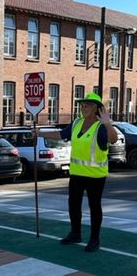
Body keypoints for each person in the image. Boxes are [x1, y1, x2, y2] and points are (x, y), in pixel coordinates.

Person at [34, 92, 118, 252]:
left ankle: (94, 239)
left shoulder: (101, 127)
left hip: (95, 176)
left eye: (88, 105)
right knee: (73, 204)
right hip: (77, 174)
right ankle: (75, 233)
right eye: (82, 104)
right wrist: (40, 134)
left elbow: (113, 139)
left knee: (94, 207)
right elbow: (60, 134)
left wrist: (108, 124)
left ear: (96, 108)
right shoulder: (77, 123)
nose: (83, 107)